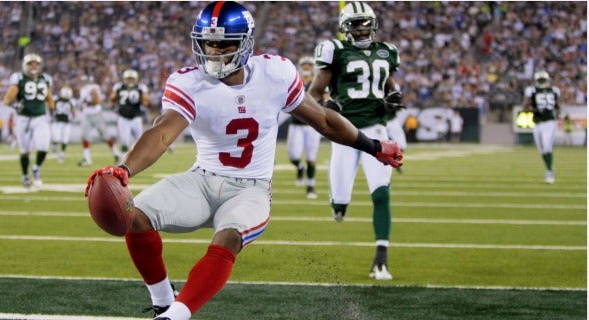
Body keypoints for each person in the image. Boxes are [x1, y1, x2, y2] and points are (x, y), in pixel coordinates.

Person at [84, 2, 402, 319]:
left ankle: (176, 316)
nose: (214, 50)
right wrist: (124, 169)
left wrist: (373, 146)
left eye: (224, 43)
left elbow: (324, 120)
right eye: (208, 41)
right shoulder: (188, 82)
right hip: (203, 179)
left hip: (251, 188)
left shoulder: (275, 74)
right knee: (135, 215)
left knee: (229, 236)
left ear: (245, 43)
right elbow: (164, 132)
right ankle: (164, 300)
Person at [308, 1, 404, 281]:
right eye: (355, 24)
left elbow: (390, 86)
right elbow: (313, 93)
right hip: (346, 134)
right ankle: (338, 205)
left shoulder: (387, 52)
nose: (361, 29)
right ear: (345, 28)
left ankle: (381, 259)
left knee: (382, 194)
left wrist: (395, 97)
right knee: (340, 206)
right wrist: (327, 104)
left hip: (377, 131)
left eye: (365, 23)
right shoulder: (335, 51)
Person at [3, 53, 54, 188]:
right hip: (23, 118)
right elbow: (7, 99)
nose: (33, 66)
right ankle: (25, 175)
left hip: (41, 117)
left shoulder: (45, 79)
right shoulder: (19, 78)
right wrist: (15, 105)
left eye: (36, 64)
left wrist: (52, 110)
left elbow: (49, 98)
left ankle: (36, 168)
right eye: (30, 64)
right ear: (25, 65)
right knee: (24, 150)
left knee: (43, 147)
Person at [286, 56, 324, 199]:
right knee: (293, 156)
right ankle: (300, 167)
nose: (306, 68)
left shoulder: (319, 84)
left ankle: (310, 186)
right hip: (296, 124)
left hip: (312, 126)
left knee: (311, 157)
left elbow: (326, 98)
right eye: (304, 65)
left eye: (309, 65)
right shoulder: (295, 82)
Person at [523, 70, 560, 184]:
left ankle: (549, 172)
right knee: (542, 150)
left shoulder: (554, 90)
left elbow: (558, 105)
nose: (542, 82)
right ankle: (550, 167)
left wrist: (555, 112)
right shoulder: (533, 91)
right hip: (537, 123)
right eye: (541, 80)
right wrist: (535, 109)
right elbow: (525, 108)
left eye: (543, 80)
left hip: (549, 122)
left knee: (547, 147)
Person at [78, 75, 120, 166]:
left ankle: (116, 153)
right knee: (84, 135)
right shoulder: (83, 89)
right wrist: (83, 105)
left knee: (105, 135)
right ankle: (87, 158)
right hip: (86, 114)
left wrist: (87, 103)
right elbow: (83, 104)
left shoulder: (93, 87)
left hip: (96, 114)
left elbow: (97, 101)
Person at [109, 69, 150, 156]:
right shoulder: (119, 87)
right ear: (124, 79)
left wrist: (140, 100)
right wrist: (114, 107)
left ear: (136, 79)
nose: (130, 80)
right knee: (124, 141)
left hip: (136, 117)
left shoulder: (140, 87)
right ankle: (124, 160)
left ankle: (139, 159)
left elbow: (146, 102)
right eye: (128, 78)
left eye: (132, 78)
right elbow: (112, 99)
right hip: (123, 117)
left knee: (140, 140)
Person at [51, 86, 76, 163]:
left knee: (65, 140)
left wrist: (73, 115)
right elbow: (51, 107)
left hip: (66, 122)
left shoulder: (71, 101)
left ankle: (62, 154)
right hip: (57, 121)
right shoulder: (56, 99)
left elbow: (73, 112)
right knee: (56, 138)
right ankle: (54, 144)